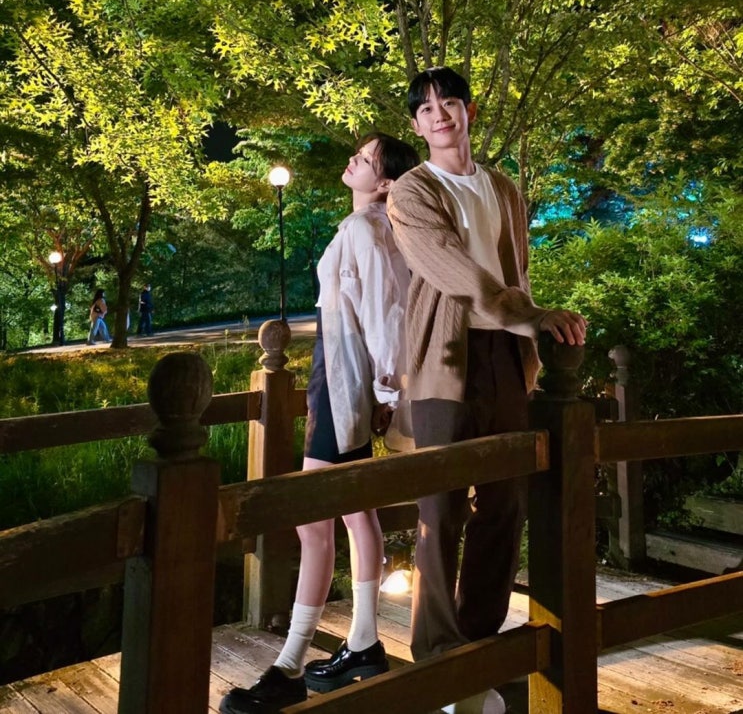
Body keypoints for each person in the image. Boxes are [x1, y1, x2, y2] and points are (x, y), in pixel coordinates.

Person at [387, 67, 587, 714]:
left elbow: (514, 269)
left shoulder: (502, 187)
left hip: (505, 356)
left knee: (505, 504)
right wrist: (530, 315)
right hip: (443, 359)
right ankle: (437, 658)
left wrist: (528, 327)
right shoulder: (412, 192)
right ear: (416, 125)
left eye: (449, 102)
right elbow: (454, 271)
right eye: (426, 108)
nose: (439, 114)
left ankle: (478, 646)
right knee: (440, 509)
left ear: (469, 111)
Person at [219, 132, 420, 714]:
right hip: (340, 375)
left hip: (342, 379)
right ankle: (361, 642)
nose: (353, 159)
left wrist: (385, 390)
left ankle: (290, 664)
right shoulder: (373, 227)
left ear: (385, 182)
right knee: (356, 511)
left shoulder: (366, 229)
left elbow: (386, 314)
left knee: (316, 520)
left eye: (366, 159)